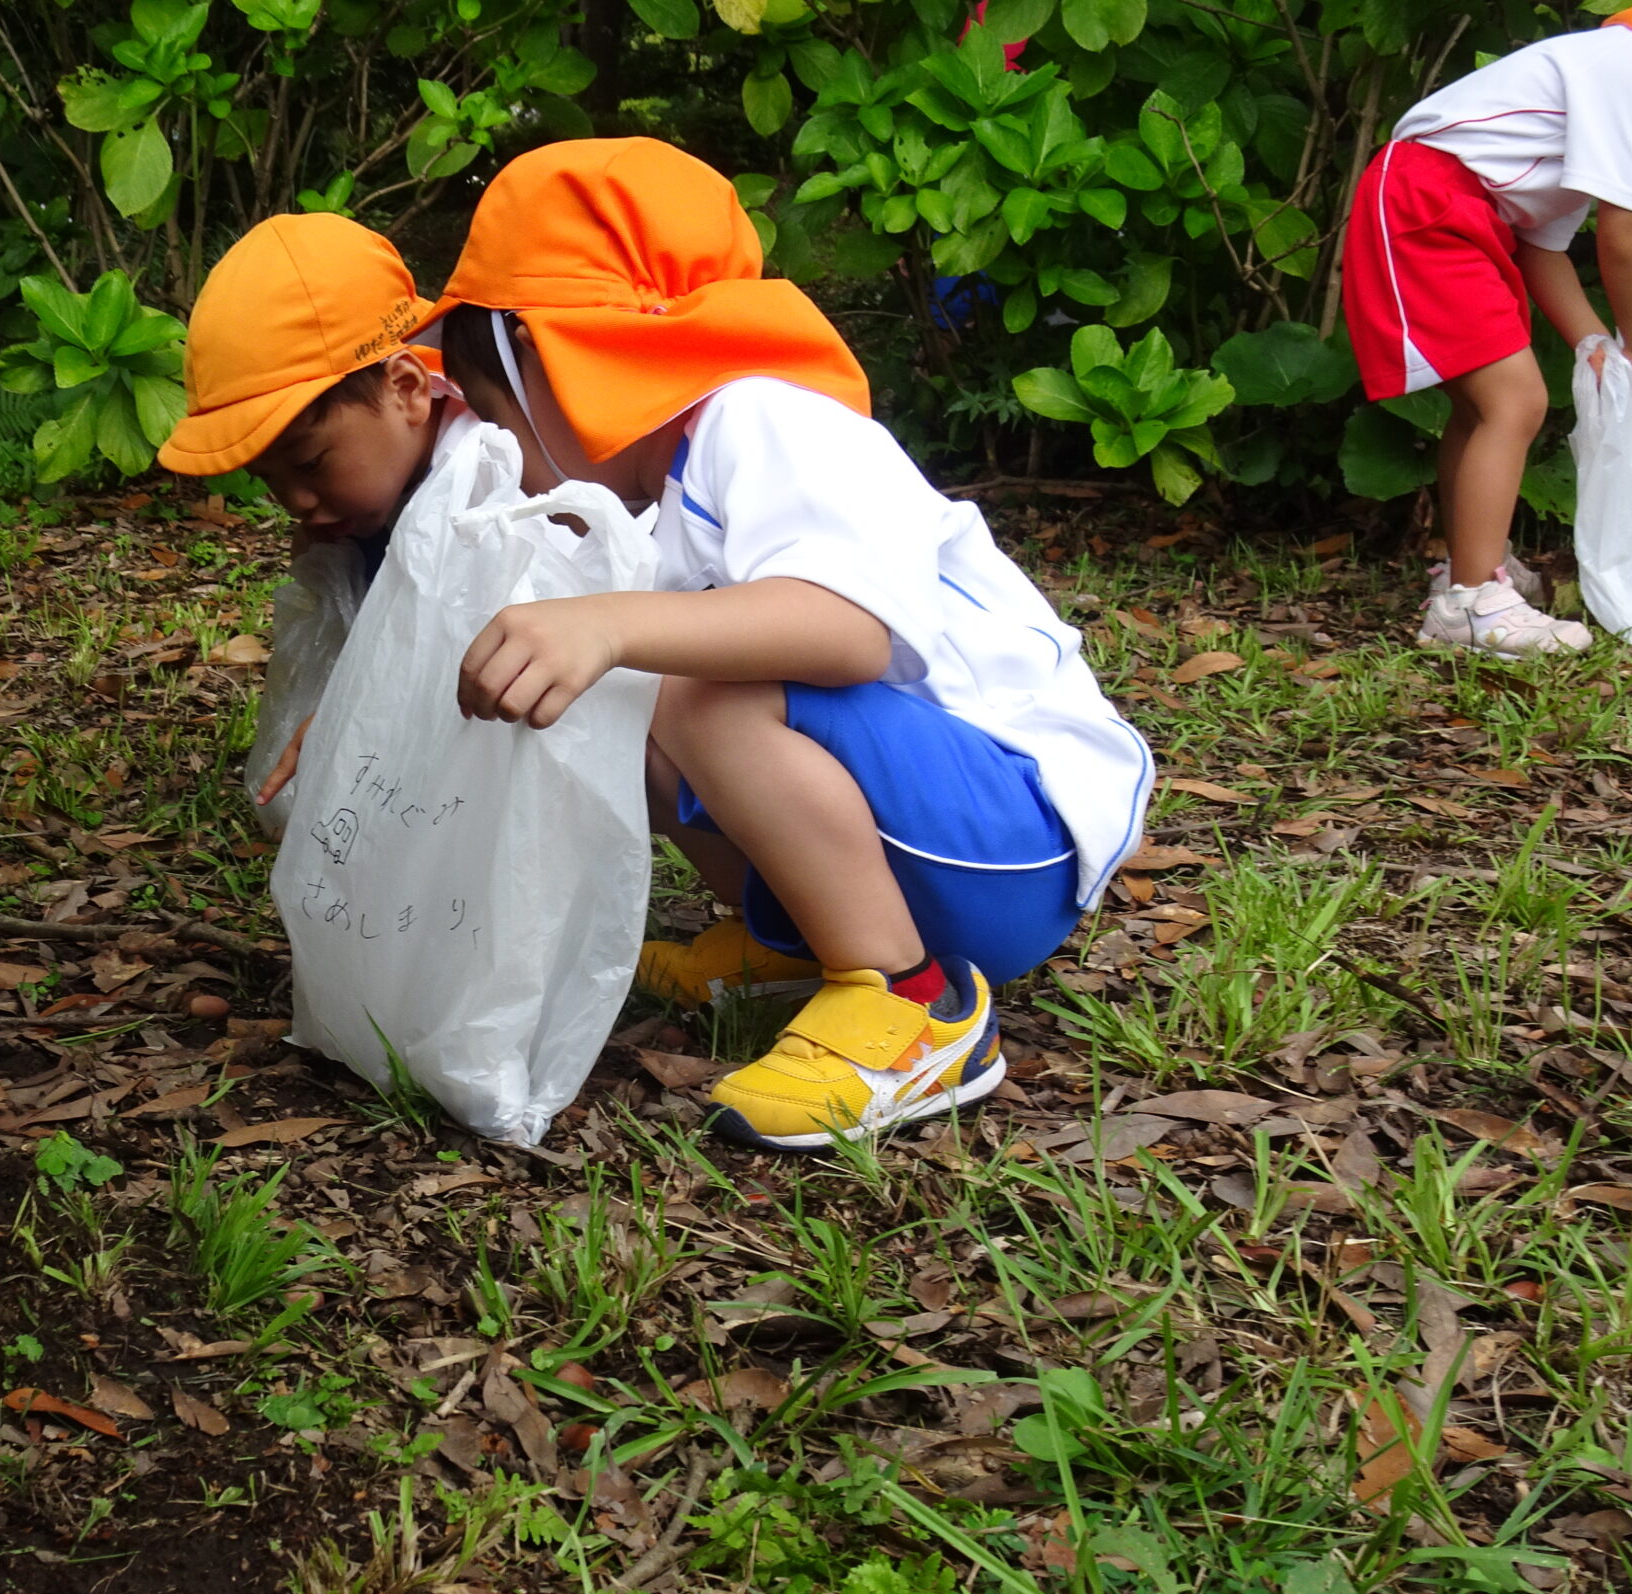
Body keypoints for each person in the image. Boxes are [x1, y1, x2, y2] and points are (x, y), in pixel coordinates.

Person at [417, 138, 1154, 1152]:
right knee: (620, 698)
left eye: (503, 417)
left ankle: (911, 1004)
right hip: (933, 837)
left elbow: (846, 632)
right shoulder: (664, 491)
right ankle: (799, 946)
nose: (516, 466)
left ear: (556, 356)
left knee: (697, 688)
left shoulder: (765, 418)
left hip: (1011, 843)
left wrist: (610, 624)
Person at [1340, 0, 1632, 657]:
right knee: (1516, 401)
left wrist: (1594, 344)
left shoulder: (1609, 90)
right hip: (1430, 203)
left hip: (1465, 212)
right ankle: (1473, 604)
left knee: (1484, 407)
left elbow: (1543, 248)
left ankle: (1472, 569)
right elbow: (1625, 231)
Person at [157, 212, 477, 806]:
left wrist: (370, 707)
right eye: (268, 480)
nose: (295, 502)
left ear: (407, 389)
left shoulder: (486, 489)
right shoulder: (386, 475)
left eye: (309, 464)